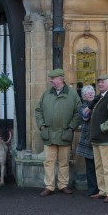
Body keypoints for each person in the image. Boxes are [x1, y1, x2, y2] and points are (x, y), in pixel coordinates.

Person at [35, 68, 82, 197]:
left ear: (61, 79)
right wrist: (42, 126)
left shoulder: (73, 95)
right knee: (49, 162)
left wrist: (71, 128)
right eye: (50, 78)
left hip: (64, 134)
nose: (50, 81)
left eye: (53, 79)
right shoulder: (46, 94)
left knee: (64, 162)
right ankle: (49, 186)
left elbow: (78, 113)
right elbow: (38, 110)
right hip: (48, 134)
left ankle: (63, 185)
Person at [89, 74, 108, 203]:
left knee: (107, 167)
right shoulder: (101, 97)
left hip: (105, 138)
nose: (100, 84)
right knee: (99, 166)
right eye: (99, 82)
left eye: (103, 82)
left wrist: (102, 128)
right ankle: (102, 191)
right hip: (97, 138)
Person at [75, 84, 99, 196]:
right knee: (90, 166)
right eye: (88, 93)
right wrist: (91, 105)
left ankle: (101, 188)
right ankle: (92, 189)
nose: (91, 94)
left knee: (100, 165)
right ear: (84, 96)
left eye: (92, 92)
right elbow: (85, 116)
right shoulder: (82, 107)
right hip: (87, 139)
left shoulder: (99, 104)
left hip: (99, 136)